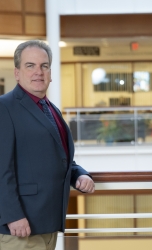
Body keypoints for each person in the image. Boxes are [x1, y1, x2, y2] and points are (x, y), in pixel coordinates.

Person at [0, 40, 95, 250]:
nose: (38, 72)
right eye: (30, 65)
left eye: (44, 66)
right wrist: (12, 216)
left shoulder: (51, 109)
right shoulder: (4, 108)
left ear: (50, 73)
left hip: (47, 224)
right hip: (19, 228)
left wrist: (79, 174)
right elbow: (1, 169)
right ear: (17, 72)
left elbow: (59, 157)